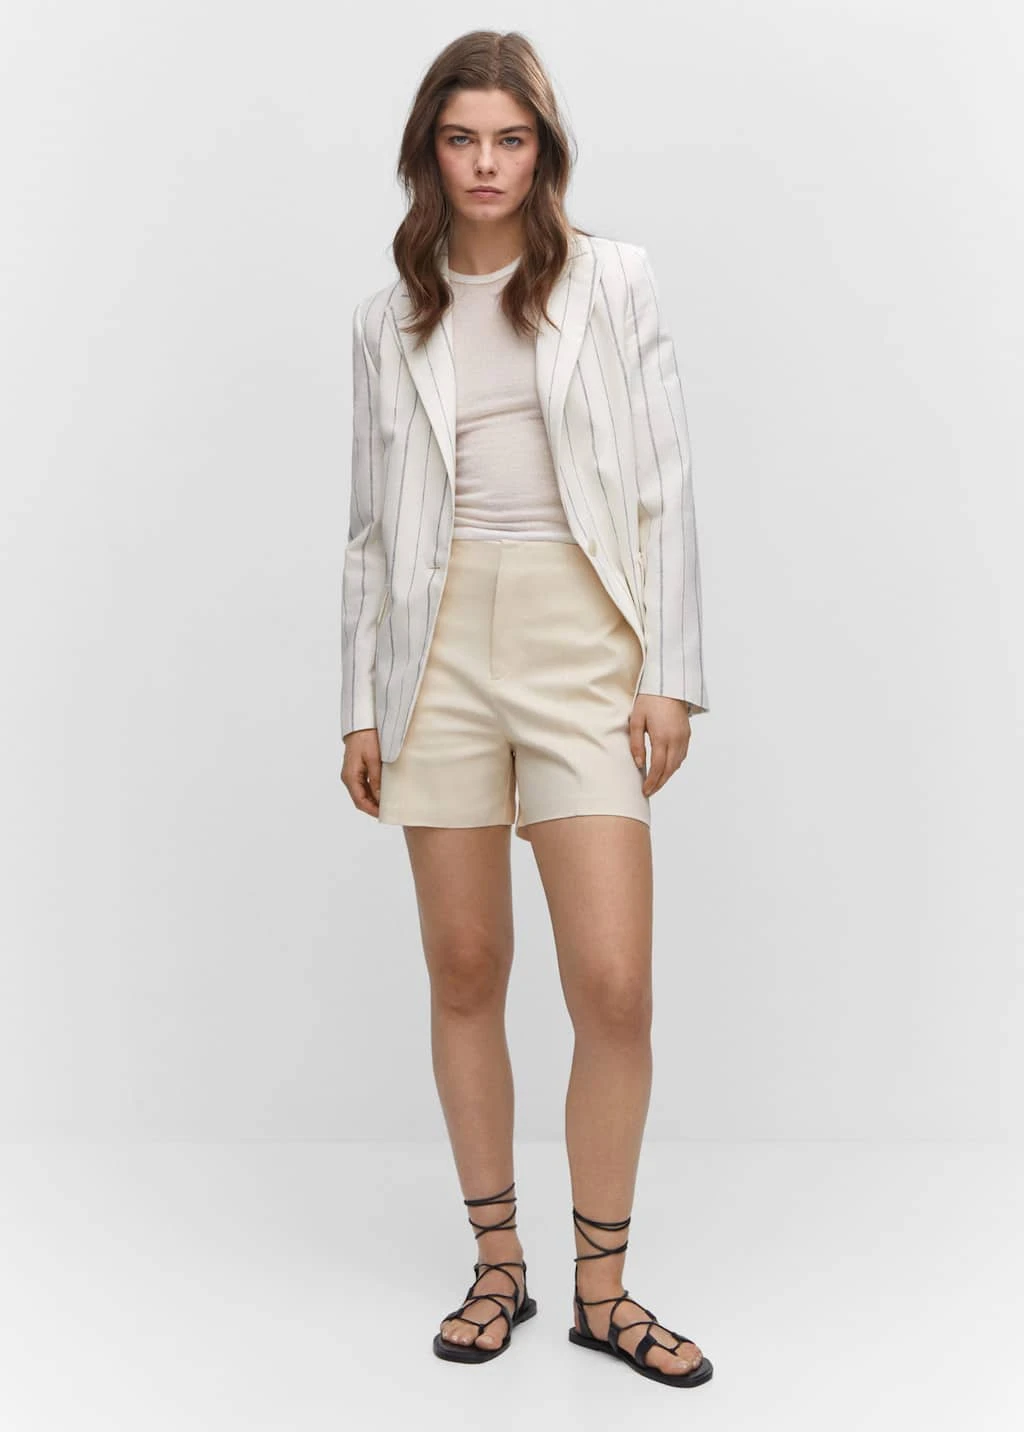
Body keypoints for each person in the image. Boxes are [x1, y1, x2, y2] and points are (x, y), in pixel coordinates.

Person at [339, 30, 712, 1388]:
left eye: (510, 139)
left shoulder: (614, 281)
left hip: (580, 638)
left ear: (543, 151)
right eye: (462, 139)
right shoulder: (389, 316)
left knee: (613, 984)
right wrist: (360, 704)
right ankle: (498, 1266)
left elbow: (665, 480)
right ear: (428, 153)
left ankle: (604, 1291)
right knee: (464, 968)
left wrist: (667, 672)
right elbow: (370, 528)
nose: (486, 164)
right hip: (434, 653)